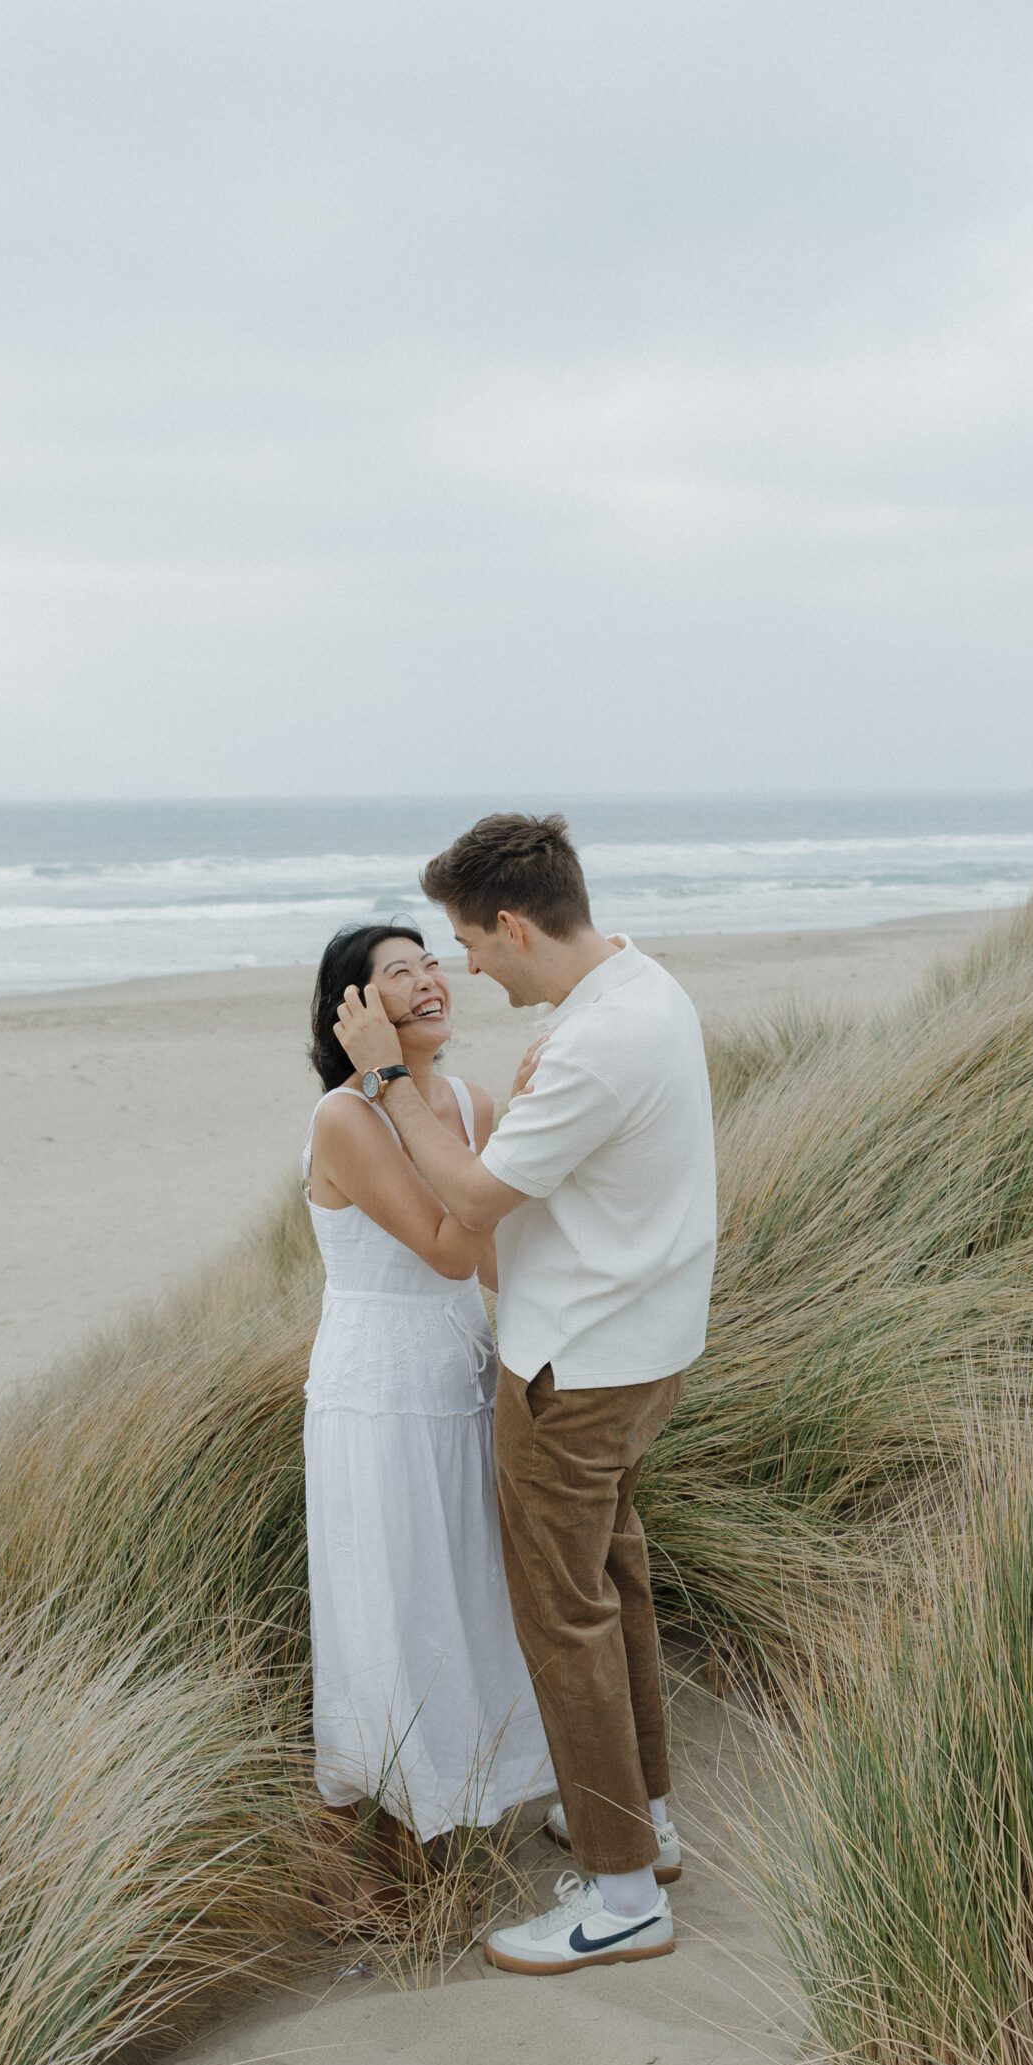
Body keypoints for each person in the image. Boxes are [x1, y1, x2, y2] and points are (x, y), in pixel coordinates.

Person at [334, 812, 717, 1976]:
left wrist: (390, 1081)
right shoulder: (638, 991)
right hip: (642, 1346)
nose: (462, 967)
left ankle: (618, 1894)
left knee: (565, 1614)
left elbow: (469, 1194)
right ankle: (642, 1824)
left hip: (574, 1365)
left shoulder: (599, 1043)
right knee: (614, 1577)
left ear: (511, 924)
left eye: (465, 942)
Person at [301, 919, 553, 1897]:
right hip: (375, 1393)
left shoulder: (472, 1100)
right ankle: (351, 1867)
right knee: (383, 1607)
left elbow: (495, 1260)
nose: (426, 981)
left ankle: (442, 1836)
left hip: (463, 1377)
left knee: (461, 1598)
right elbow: (447, 1249)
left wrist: (519, 1123)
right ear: (354, 1010)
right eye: (395, 974)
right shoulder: (346, 1118)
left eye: (430, 963)